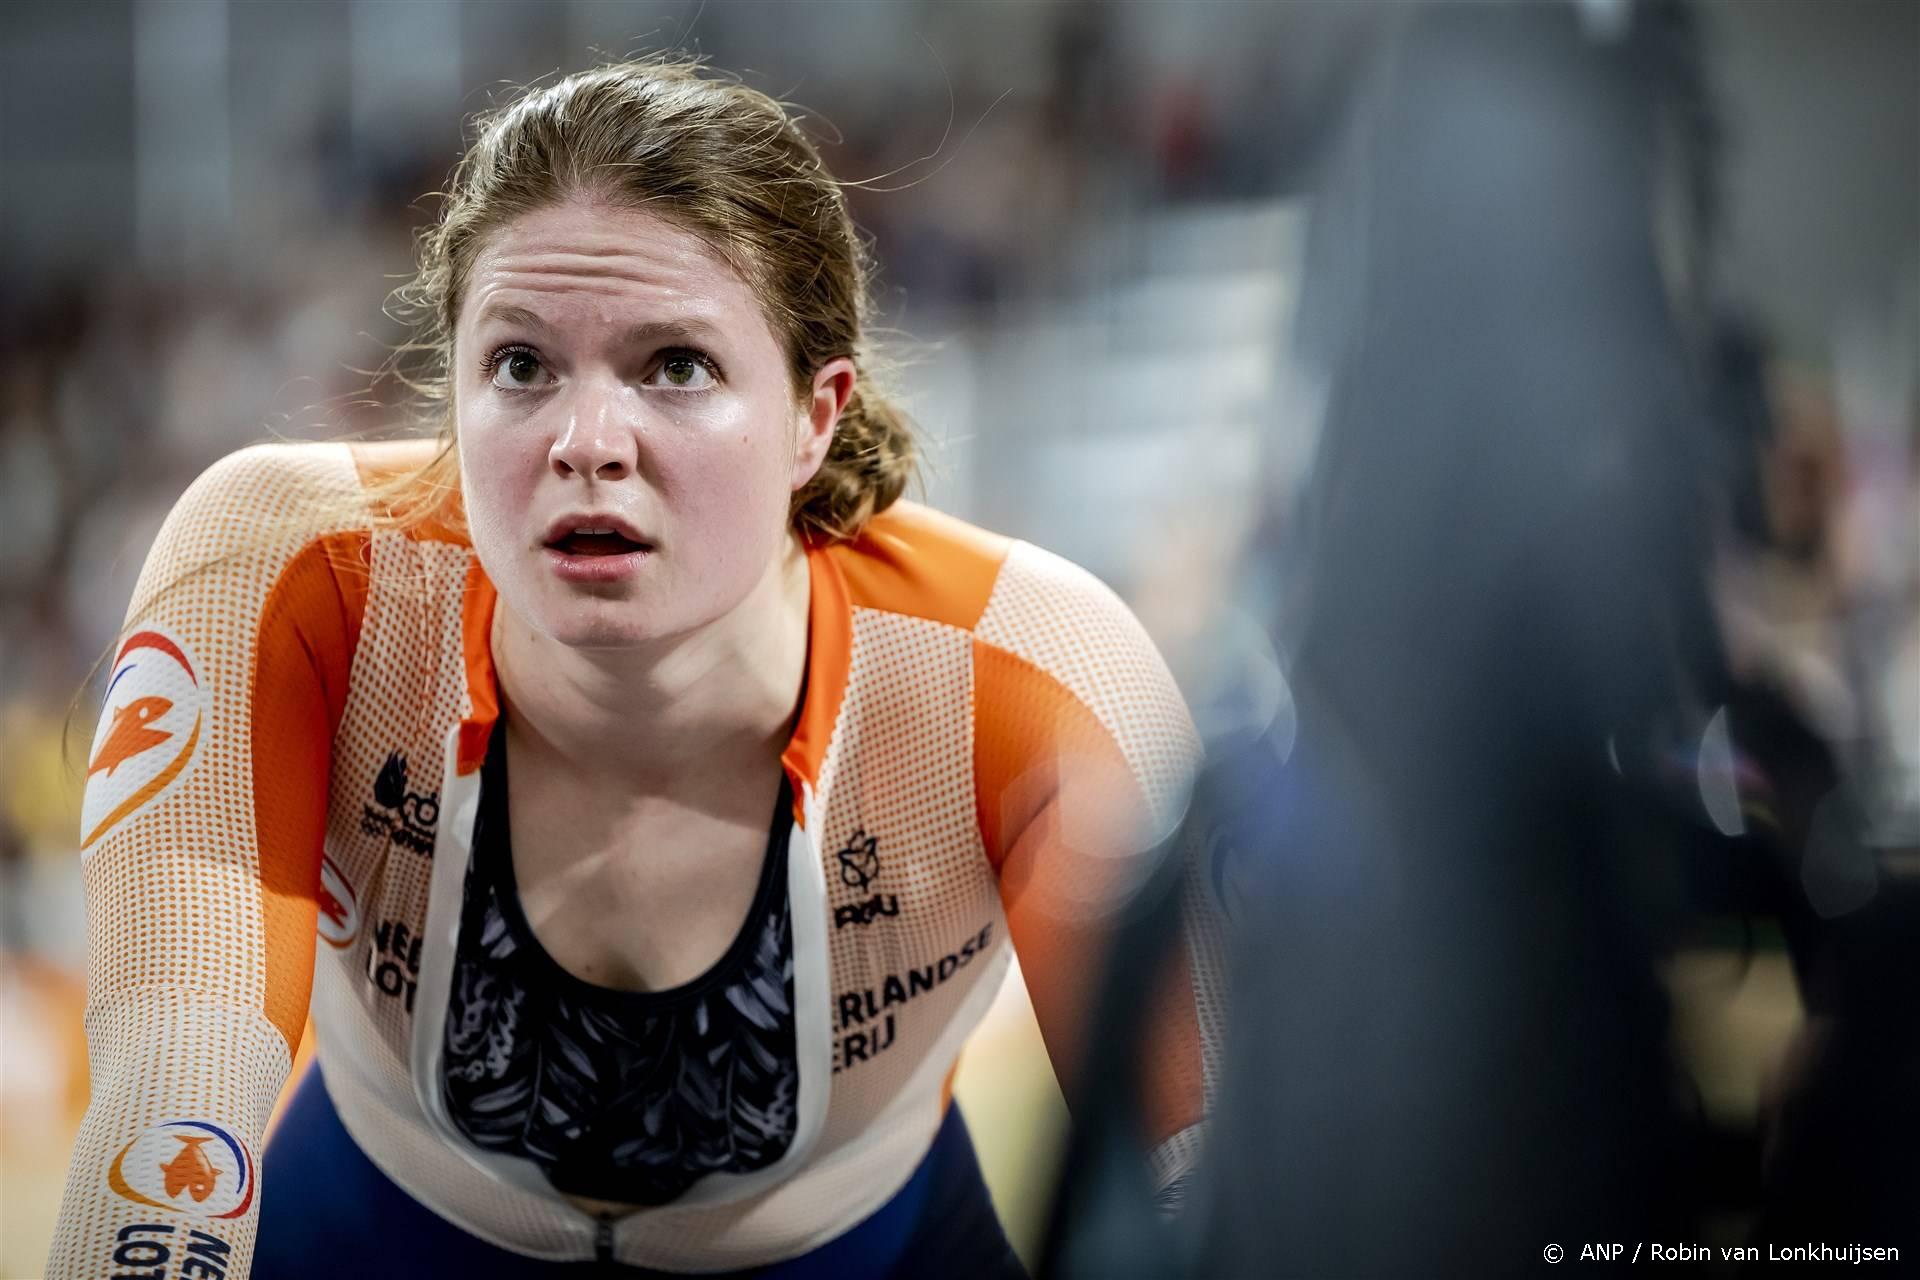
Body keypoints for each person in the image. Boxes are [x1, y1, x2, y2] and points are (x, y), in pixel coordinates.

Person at [48, 60, 1217, 1279]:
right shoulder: (291, 574)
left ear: (817, 416)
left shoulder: (1025, 668)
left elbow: (1229, 1181)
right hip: (381, 1228)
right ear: (449, 389)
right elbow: (172, 1101)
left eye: (676, 366)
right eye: (519, 365)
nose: (589, 445)